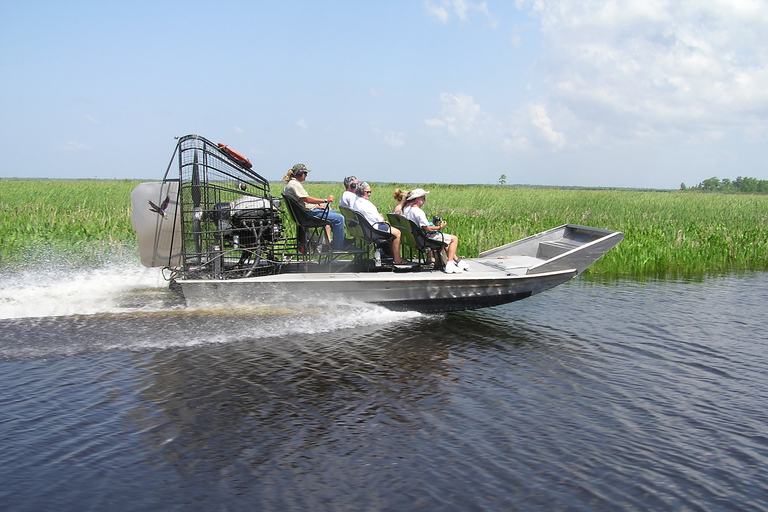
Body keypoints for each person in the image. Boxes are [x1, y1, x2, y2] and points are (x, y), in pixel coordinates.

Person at [402, 188, 468, 273]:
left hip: (417, 238)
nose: (425, 200)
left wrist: (433, 224)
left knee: (445, 240)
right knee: (454, 239)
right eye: (423, 198)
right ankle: (450, 264)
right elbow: (427, 228)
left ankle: (456, 262)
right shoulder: (418, 212)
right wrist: (440, 227)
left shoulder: (408, 210)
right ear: (418, 199)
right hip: (425, 239)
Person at [282, 163, 346, 250]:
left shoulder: (290, 184)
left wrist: (316, 206)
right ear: (300, 173)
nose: (306, 176)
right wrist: (325, 200)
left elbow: (302, 202)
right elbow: (307, 199)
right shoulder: (294, 184)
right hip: (308, 215)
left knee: (332, 212)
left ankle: (339, 240)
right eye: (305, 173)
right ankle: (338, 246)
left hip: (305, 213)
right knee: (339, 219)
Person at [352, 182, 412, 266]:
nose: (369, 194)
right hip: (373, 228)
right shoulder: (364, 203)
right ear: (362, 191)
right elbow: (373, 216)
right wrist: (383, 221)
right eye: (367, 192)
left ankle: (393, 256)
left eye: (370, 192)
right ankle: (397, 259)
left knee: (392, 232)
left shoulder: (356, 201)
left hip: (368, 227)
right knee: (397, 233)